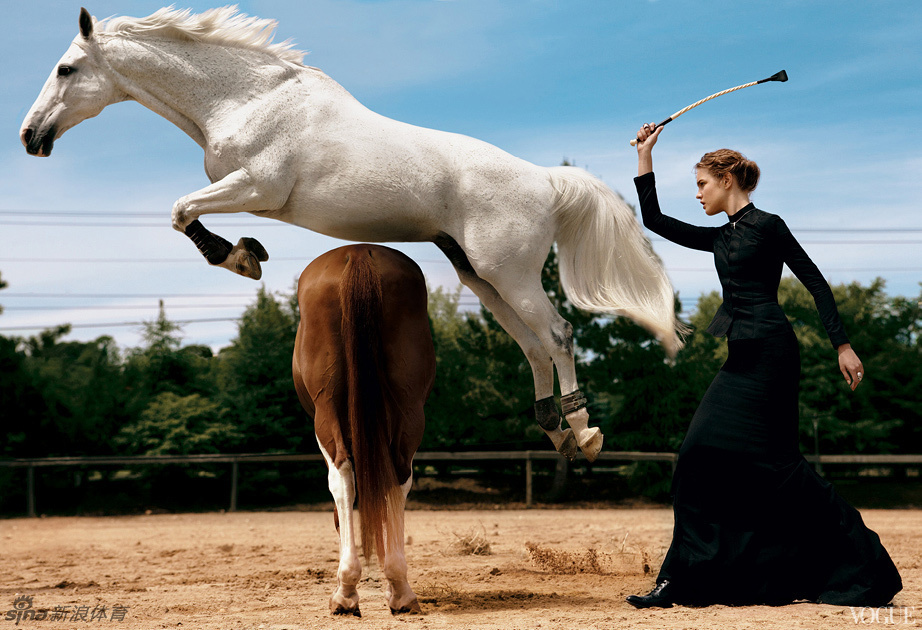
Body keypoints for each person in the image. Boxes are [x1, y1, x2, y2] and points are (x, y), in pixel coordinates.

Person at [626, 122, 902, 608]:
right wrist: (645, 155)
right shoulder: (719, 237)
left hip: (773, 355)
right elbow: (653, 219)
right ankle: (679, 578)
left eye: (702, 184)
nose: (698, 194)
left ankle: (862, 564)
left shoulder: (769, 226)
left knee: (778, 466)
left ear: (727, 179)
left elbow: (815, 282)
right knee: (696, 454)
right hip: (740, 358)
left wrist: (842, 345)